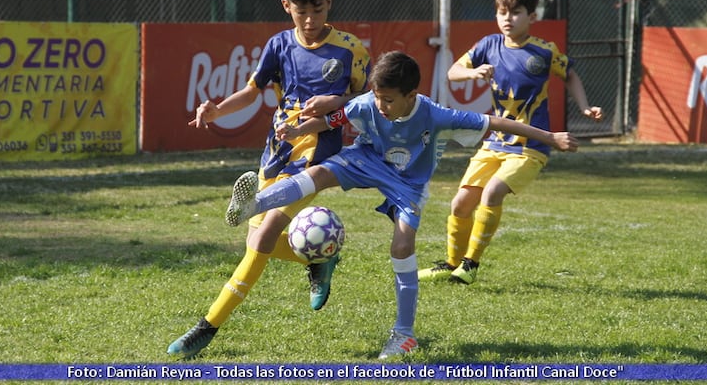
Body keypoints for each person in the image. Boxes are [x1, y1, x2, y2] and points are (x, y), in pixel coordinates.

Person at [224, 50, 579, 359]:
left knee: (403, 242)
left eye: (389, 100)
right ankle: (254, 204)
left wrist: (550, 137)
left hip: (408, 183)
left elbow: (496, 122)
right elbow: (333, 119)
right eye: (378, 97)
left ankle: (404, 334)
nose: (381, 105)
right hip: (366, 159)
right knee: (317, 173)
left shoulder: (437, 116)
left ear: (412, 95)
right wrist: (299, 131)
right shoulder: (368, 103)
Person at [167, 0, 371, 359]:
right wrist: (216, 109)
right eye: (301, 12)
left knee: (260, 237)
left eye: (317, 10)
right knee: (256, 240)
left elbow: (367, 100)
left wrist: (339, 99)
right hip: (276, 156)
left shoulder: (350, 49)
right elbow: (251, 92)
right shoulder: (279, 45)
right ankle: (319, 260)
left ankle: (207, 326)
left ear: (329, 2)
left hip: (316, 160)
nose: (310, 20)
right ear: (286, 7)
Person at [418, 0, 603, 284]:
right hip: (495, 142)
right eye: (502, 12)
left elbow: (569, 74)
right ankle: (451, 264)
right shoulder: (488, 45)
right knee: (460, 202)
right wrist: (473, 72)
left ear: (532, 17)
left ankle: (470, 265)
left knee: (492, 192)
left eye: (516, 12)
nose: (507, 18)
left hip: (531, 146)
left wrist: (584, 107)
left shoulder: (544, 52)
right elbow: (453, 72)